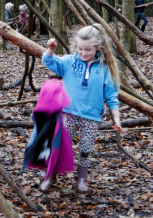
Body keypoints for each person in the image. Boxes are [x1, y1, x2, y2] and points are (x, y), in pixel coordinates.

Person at [42, 25, 124, 193]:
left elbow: (111, 96)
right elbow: (49, 62)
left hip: (92, 117)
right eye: (80, 48)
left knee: (85, 150)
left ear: (97, 48)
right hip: (69, 113)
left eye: (88, 50)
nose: (83, 53)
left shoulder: (104, 69)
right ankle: (50, 175)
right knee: (58, 145)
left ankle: (81, 179)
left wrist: (116, 118)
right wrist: (50, 50)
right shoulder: (69, 62)